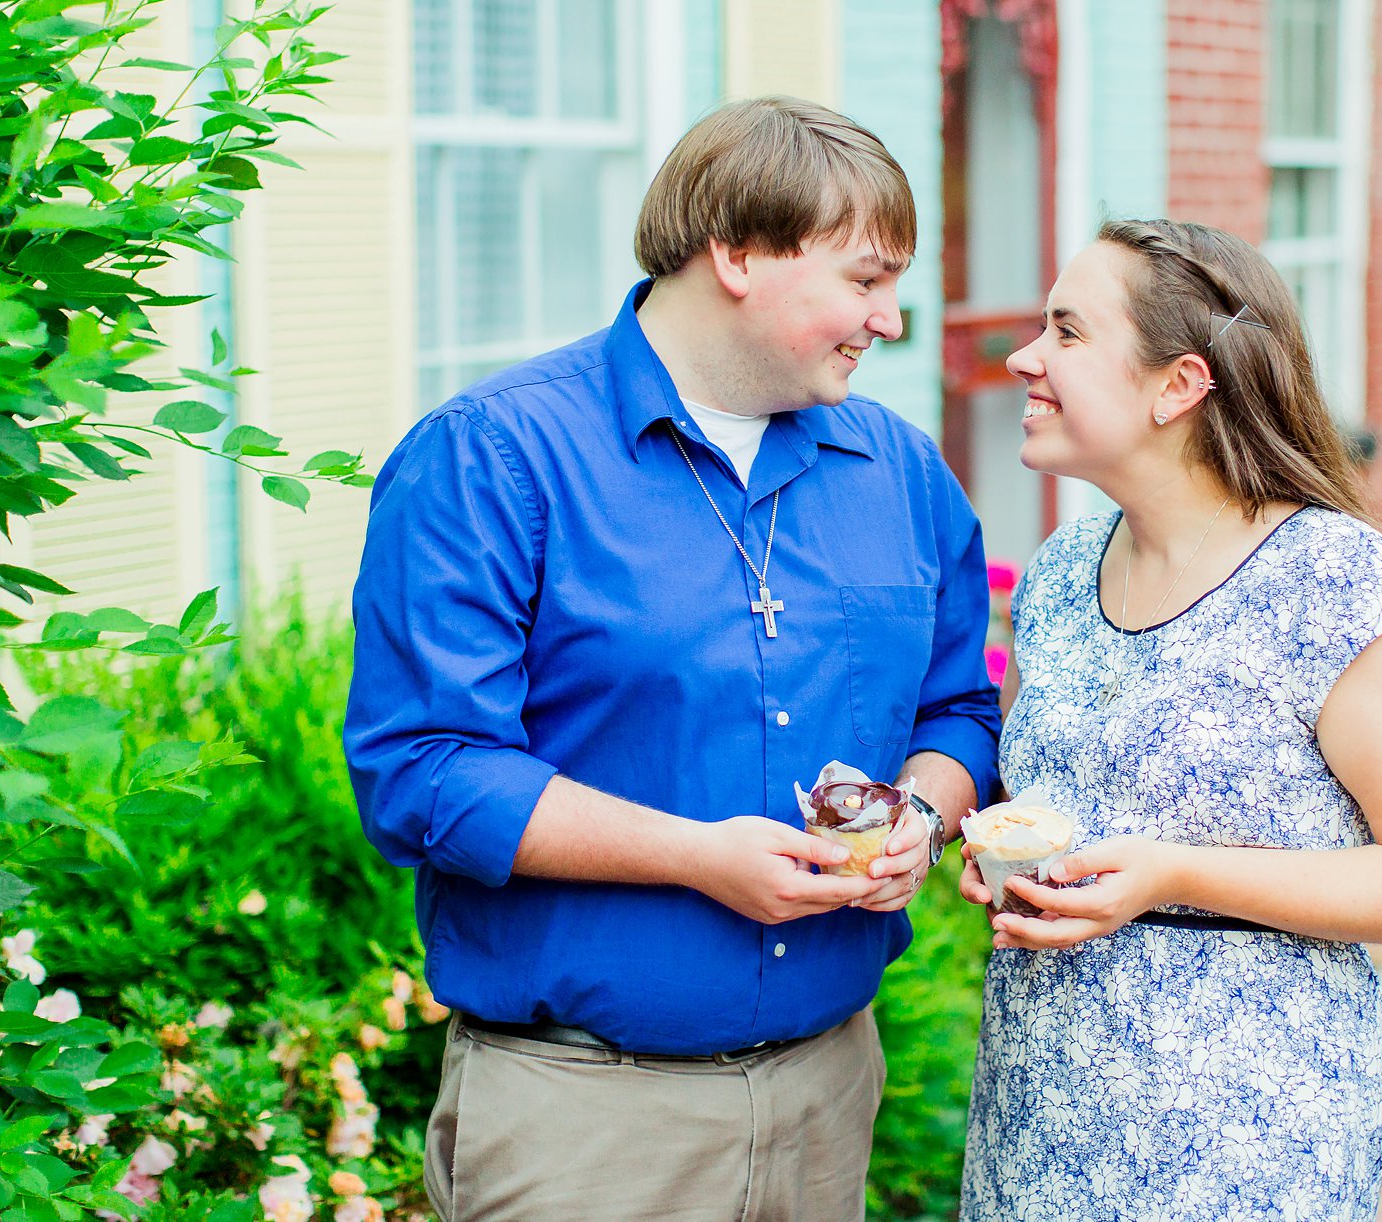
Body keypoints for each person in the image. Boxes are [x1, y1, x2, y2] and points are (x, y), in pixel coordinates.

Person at [344, 96, 1001, 1222]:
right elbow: (423, 771)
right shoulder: (495, 455)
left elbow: (958, 710)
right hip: (581, 1120)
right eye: (863, 279)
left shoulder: (898, 469)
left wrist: (924, 821)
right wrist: (697, 856)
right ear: (735, 252)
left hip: (829, 1094)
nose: (890, 319)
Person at [957, 218, 1382, 1220]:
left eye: (1066, 333)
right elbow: (1062, 805)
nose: (1024, 357)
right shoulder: (1061, 575)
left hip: (1239, 1144)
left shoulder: (1334, 583)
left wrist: (1171, 871)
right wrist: (1012, 866)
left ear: (1178, 386)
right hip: (1039, 1115)